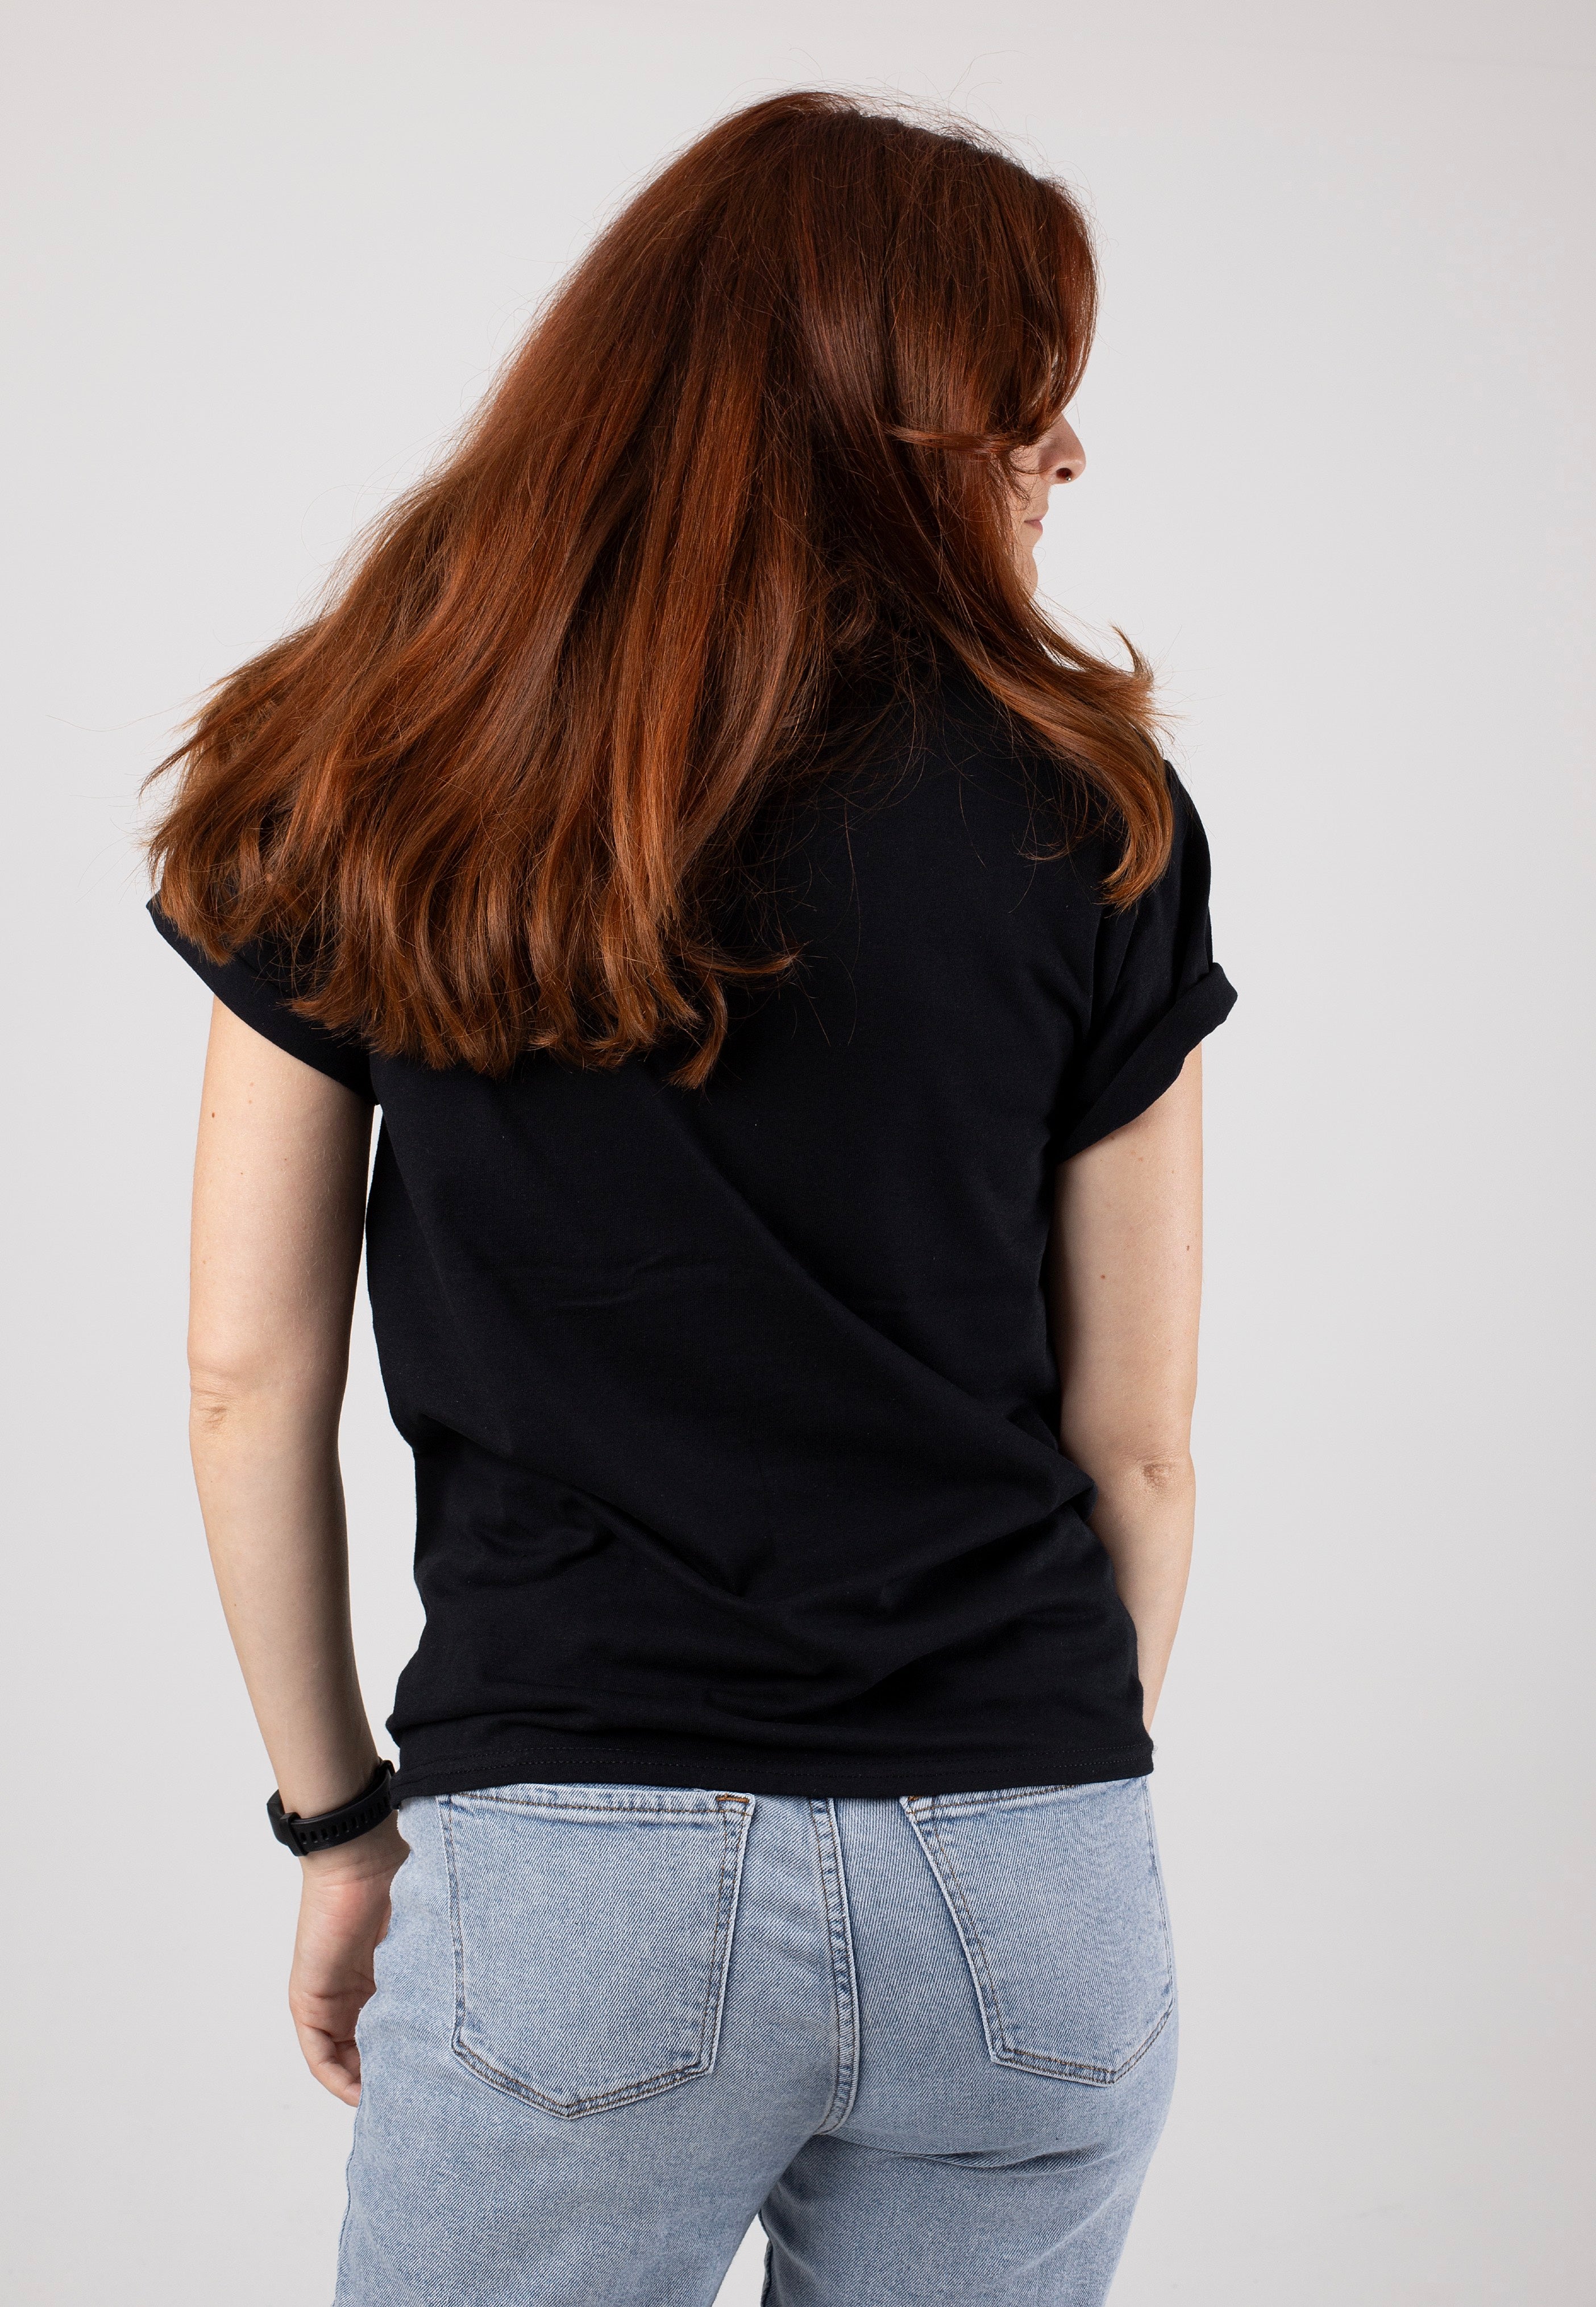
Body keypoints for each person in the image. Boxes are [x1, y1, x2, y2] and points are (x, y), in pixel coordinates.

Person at [147, 89, 1236, 2307]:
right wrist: (1026, 1797)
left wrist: (339, 1824)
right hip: (1034, 1872)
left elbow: (246, 1380)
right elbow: (1139, 1443)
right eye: (1024, 393)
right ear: (880, 408)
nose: (1066, 448)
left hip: (577, 1870)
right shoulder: (1092, 808)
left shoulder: (368, 767)